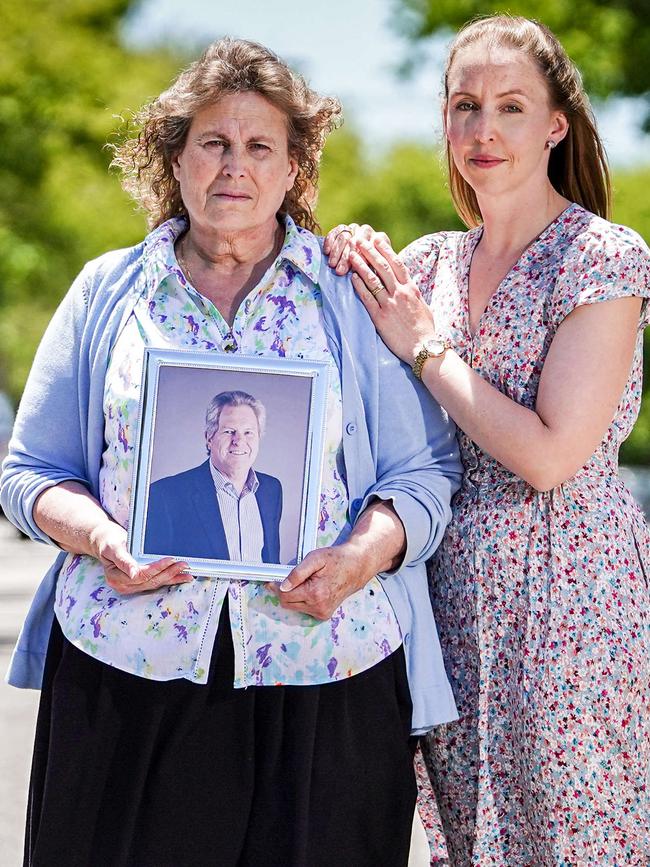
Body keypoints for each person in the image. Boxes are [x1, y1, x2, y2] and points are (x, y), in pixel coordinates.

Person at [0, 38, 462, 867]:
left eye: (260, 147)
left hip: (327, 670)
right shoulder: (107, 293)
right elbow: (30, 473)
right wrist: (102, 538)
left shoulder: (350, 299)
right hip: (126, 669)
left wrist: (360, 557)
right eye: (212, 142)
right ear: (173, 160)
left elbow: (423, 476)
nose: (234, 167)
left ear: (294, 169)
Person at [326, 14, 650, 866]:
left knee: (576, 840)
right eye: (464, 105)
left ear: (556, 125)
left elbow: (550, 455)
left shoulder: (603, 258)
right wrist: (340, 244)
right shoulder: (427, 264)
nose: (483, 129)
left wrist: (427, 347)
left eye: (511, 107)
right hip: (446, 610)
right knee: (466, 844)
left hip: (570, 604)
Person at [145, 390, 283, 563]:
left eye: (248, 432)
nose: (238, 441)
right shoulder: (166, 495)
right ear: (209, 438)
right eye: (229, 431)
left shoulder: (272, 489)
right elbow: (155, 573)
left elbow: (271, 565)